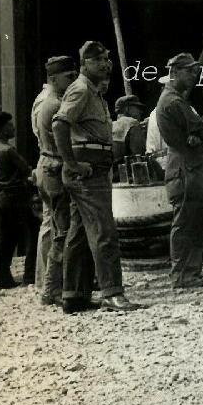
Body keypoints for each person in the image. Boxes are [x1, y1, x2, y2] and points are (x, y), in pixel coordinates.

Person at [52, 41, 140, 311]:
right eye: (98, 60)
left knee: (79, 234)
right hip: (87, 168)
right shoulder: (80, 90)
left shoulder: (92, 91)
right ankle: (112, 292)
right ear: (84, 64)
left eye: (106, 59)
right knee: (104, 231)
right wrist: (72, 163)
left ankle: (74, 295)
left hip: (93, 165)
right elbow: (59, 124)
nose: (106, 64)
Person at [31, 55, 92, 307]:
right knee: (63, 232)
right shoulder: (56, 104)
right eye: (69, 77)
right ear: (54, 78)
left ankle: (50, 285)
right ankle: (51, 289)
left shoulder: (43, 100)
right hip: (56, 167)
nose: (72, 82)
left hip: (46, 165)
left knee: (54, 228)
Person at [157, 53, 203, 288]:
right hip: (185, 169)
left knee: (192, 220)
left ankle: (189, 272)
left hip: (186, 166)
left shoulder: (173, 100)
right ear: (175, 72)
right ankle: (182, 275)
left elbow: (197, 133)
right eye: (189, 71)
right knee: (184, 223)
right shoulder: (174, 102)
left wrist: (196, 135)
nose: (194, 76)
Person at [0, 112, 34, 289]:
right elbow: (27, 170)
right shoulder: (7, 150)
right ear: (3, 129)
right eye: (10, 125)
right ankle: (30, 274)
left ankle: (1, 278)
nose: (13, 127)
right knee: (32, 232)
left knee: (3, 238)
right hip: (14, 197)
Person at [112, 95, 146, 162]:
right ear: (127, 108)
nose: (140, 111)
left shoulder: (111, 125)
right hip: (129, 169)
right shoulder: (132, 123)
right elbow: (138, 154)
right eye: (136, 108)